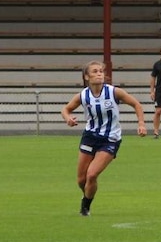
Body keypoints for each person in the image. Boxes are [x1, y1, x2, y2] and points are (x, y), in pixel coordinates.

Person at [61, 60, 147, 216]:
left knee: (92, 174)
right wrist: (68, 118)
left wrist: (141, 124)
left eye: (100, 71)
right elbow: (65, 109)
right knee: (81, 180)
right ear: (86, 76)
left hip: (110, 138)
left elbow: (136, 104)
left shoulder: (114, 92)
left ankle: (85, 207)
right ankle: (87, 195)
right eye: (94, 71)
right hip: (90, 137)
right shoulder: (83, 95)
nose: (99, 73)